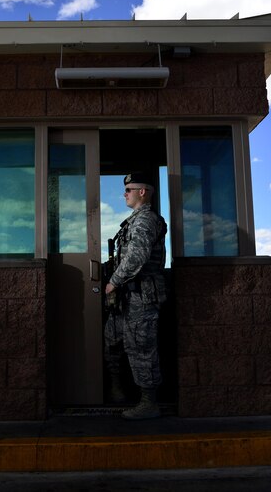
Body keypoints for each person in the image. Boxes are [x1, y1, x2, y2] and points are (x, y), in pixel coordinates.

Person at [104, 172, 167, 420]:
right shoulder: (133, 221)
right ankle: (117, 389)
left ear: (143, 192)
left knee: (141, 348)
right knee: (113, 341)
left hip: (141, 296)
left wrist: (113, 282)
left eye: (129, 189)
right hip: (127, 298)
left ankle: (149, 402)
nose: (124, 193)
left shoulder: (145, 220)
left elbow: (137, 257)